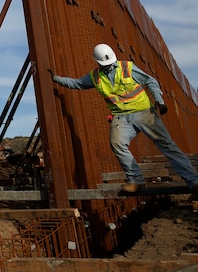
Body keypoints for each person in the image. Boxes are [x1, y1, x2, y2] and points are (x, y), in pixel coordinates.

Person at [49, 43, 198, 193]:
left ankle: (194, 181)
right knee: (117, 144)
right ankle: (136, 181)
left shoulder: (127, 67)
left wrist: (159, 100)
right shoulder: (95, 77)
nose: (109, 65)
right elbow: (77, 83)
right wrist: (56, 78)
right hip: (121, 117)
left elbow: (150, 81)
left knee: (168, 146)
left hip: (144, 112)